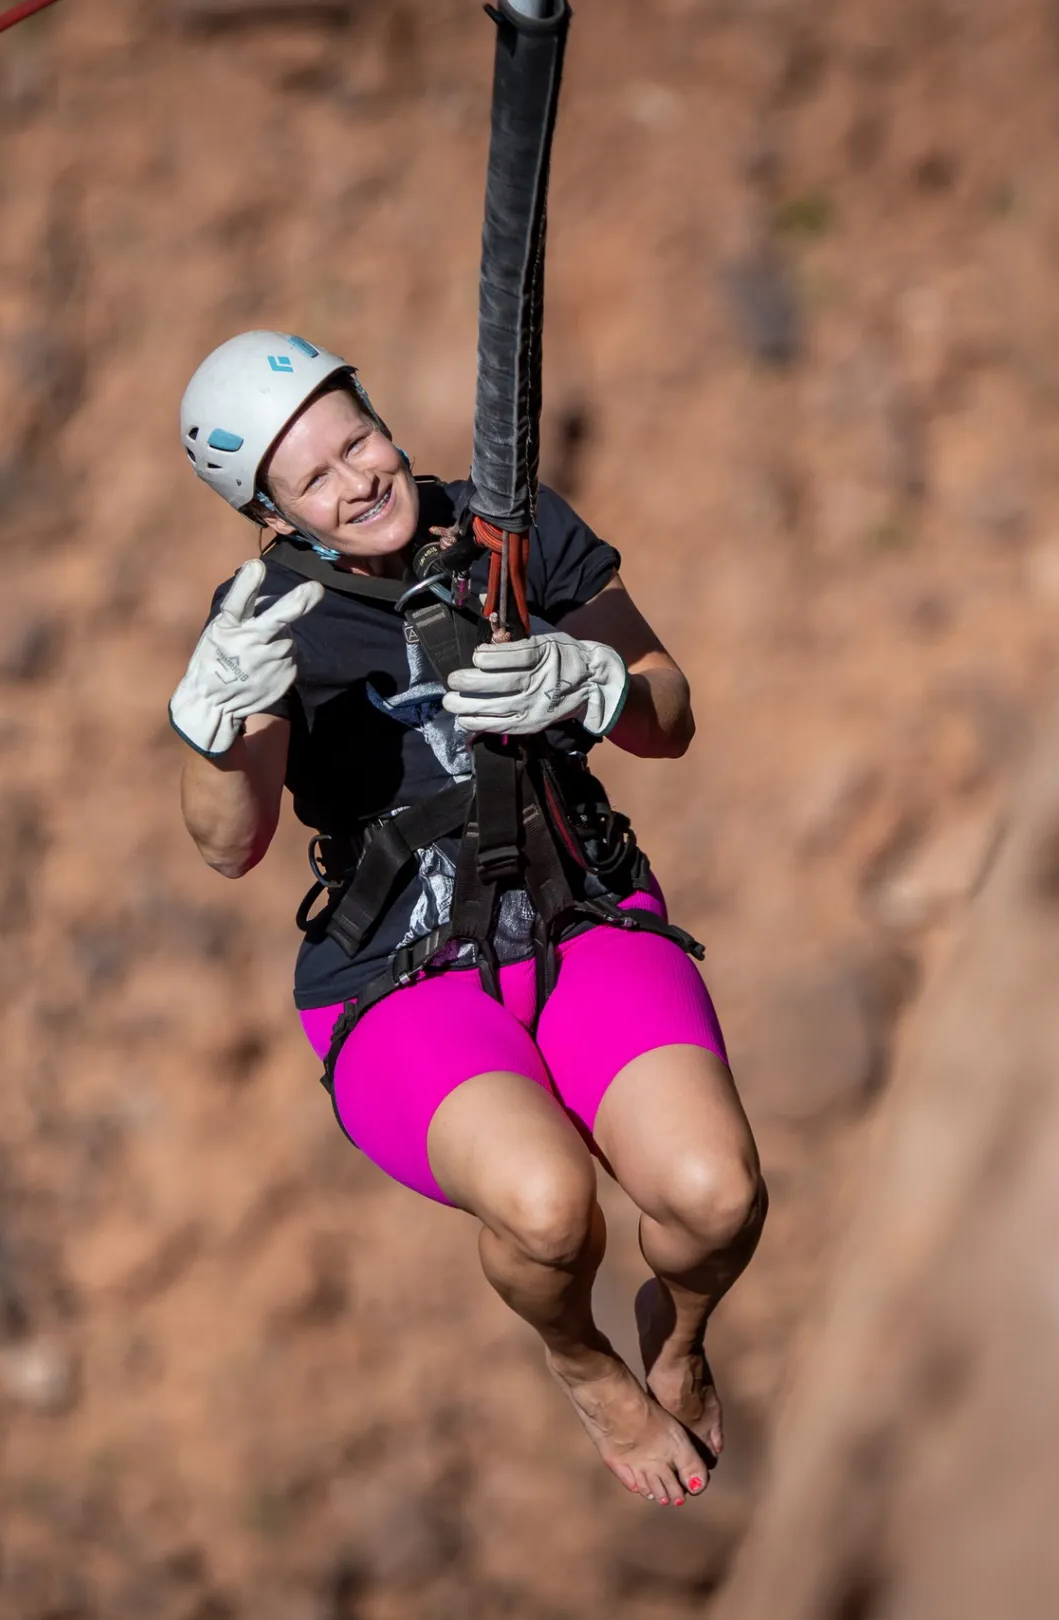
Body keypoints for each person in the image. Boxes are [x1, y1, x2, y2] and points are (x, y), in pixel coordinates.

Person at [169, 332, 766, 1508]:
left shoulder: (511, 527)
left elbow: (669, 713)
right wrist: (213, 734)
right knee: (548, 1210)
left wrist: (593, 683)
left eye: (358, 440)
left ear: (384, 417)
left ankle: (680, 1334)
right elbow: (229, 846)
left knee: (716, 1196)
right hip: (401, 974)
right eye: (313, 480)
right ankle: (585, 1362)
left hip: (578, 912)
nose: (356, 481)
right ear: (275, 516)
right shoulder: (268, 622)